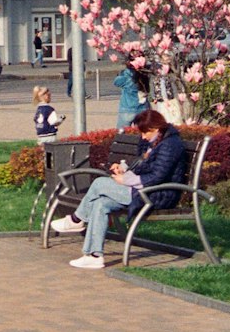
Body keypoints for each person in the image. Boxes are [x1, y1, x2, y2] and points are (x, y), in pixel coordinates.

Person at [50, 107, 187, 270]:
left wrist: (126, 179)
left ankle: (76, 219)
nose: (142, 137)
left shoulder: (170, 145)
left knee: (99, 183)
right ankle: (94, 255)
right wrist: (125, 169)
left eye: (145, 133)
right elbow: (144, 167)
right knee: (100, 203)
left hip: (157, 194)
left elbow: (158, 177)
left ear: (155, 129)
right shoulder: (154, 141)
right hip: (142, 190)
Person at [113, 65, 149, 130]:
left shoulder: (127, 78)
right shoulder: (145, 76)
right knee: (143, 131)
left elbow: (116, 82)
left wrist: (122, 73)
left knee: (122, 132)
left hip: (128, 107)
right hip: (143, 107)